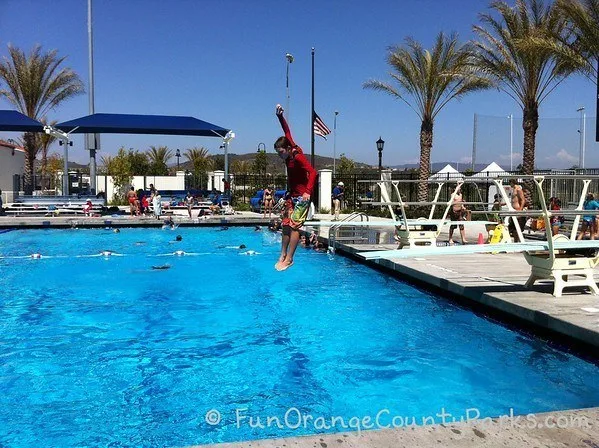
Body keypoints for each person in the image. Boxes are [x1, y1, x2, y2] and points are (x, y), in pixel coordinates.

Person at [274, 103, 317, 271]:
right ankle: (282, 255)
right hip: (292, 195)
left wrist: (307, 192)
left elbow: (313, 173)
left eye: (280, 152)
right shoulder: (288, 146)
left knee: (294, 226)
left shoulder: (298, 156)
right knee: (285, 224)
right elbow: (287, 131)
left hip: (302, 197)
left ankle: (290, 258)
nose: (279, 155)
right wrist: (279, 116)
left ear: (287, 149)